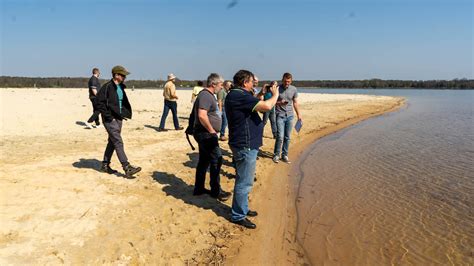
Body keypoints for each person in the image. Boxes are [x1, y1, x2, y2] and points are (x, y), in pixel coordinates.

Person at [225, 70, 279, 229]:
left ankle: (243, 208)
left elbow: (252, 104)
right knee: (244, 182)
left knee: (244, 180)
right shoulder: (239, 95)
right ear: (244, 83)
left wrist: (261, 93)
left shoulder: (237, 94)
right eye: (252, 82)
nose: (253, 84)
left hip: (244, 143)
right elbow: (267, 106)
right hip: (245, 145)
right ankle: (238, 215)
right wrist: (275, 94)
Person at [95, 65, 142, 178]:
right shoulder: (107, 87)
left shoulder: (120, 86)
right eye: (123, 75)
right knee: (118, 141)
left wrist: (123, 114)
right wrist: (108, 116)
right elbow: (98, 102)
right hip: (110, 119)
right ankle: (127, 167)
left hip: (118, 118)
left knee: (112, 141)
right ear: (116, 75)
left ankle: (105, 165)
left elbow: (121, 102)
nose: (124, 77)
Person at [193, 73, 232, 201]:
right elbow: (202, 115)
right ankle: (216, 191)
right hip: (206, 134)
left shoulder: (208, 95)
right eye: (220, 85)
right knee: (217, 159)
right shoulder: (205, 95)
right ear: (213, 84)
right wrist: (211, 131)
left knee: (204, 161)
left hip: (204, 133)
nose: (221, 87)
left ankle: (199, 188)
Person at [273, 72, 302, 164]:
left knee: (287, 137)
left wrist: (299, 115)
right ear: (282, 80)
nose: (287, 83)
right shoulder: (277, 89)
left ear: (291, 81)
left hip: (290, 116)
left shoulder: (294, 89)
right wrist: (279, 103)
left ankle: (284, 155)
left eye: (289, 82)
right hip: (280, 115)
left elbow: (295, 103)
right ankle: (276, 154)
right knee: (280, 136)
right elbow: (272, 102)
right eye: (285, 81)